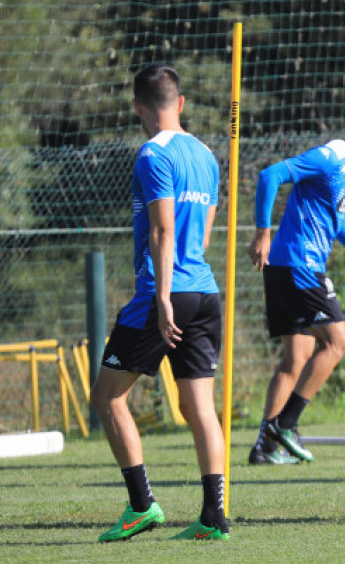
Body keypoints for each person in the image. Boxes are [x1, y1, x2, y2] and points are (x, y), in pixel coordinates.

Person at [90, 63, 229, 541]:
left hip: (162, 293)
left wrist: (165, 297)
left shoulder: (153, 154)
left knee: (107, 396)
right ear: (182, 103)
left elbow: (162, 229)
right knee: (200, 409)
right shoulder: (208, 155)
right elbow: (204, 233)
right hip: (205, 291)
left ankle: (141, 505)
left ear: (137, 107)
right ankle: (214, 518)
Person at [247, 102, 345, 465]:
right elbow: (270, 175)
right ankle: (283, 425)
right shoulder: (330, 156)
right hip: (297, 264)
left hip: (295, 266)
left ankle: (266, 448)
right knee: (338, 343)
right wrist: (263, 233)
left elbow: (334, 215)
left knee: (297, 359)